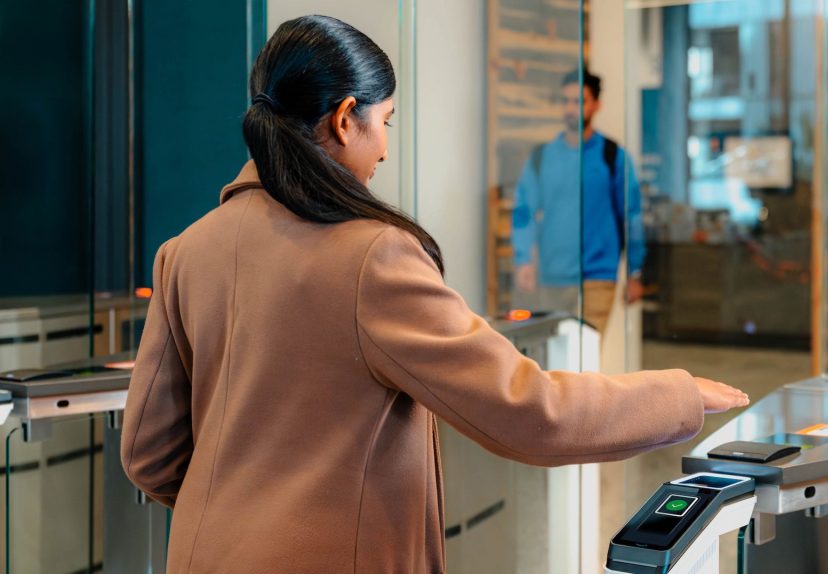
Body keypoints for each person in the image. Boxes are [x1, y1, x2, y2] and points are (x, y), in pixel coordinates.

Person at [120, 16, 748, 574]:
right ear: (345, 119)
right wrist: (678, 394)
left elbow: (149, 454)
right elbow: (529, 412)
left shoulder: (185, 252)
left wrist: (242, 506)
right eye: (384, 122)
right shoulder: (370, 256)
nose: (385, 148)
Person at [511, 68, 645, 333]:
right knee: (556, 361)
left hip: (598, 276)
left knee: (587, 359)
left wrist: (634, 272)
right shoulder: (542, 157)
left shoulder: (613, 157)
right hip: (552, 276)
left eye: (579, 101)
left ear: (596, 105)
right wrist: (524, 258)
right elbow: (523, 210)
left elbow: (632, 216)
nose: (571, 109)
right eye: (566, 101)